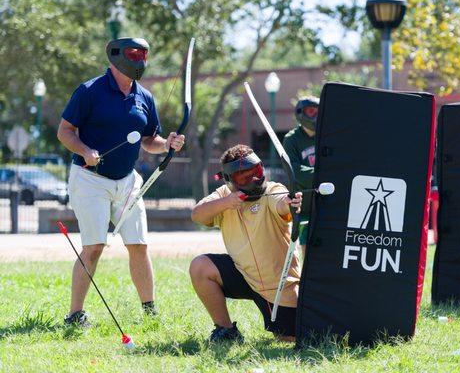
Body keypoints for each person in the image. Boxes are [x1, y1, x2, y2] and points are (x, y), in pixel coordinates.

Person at [57, 37, 185, 326]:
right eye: (133, 54)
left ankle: (150, 312)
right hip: (90, 180)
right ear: (116, 56)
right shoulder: (89, 91)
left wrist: (167, 144)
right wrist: (84, 150)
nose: (140, 60)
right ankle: (75, 314)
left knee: (138, 244)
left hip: (128, 181)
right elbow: (65, 131)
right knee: (94, 247)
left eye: (144, 55)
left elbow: (150, 140)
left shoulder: (145, 97)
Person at [189, 144, 302, 343]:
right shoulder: (224, 194)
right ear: (230, 180)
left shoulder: (275, 190)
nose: (254, 179)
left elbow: (282, 203)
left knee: (289, 338)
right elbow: (197, 214)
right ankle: (226, 330)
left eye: (256, 172)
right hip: (243, 275)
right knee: (200, 266)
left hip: (278, 288)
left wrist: (290, 203)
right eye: (244, 177)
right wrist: (226, 202)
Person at [282, 96, 319, 256]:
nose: (315, 116)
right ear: (301, 113)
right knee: (306, 245)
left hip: (326, 199)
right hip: (304, 203)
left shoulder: (327, 134)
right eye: (311, 111)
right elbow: (294, 170)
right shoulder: (292, 139)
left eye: (318, 111)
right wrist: (323, 175)